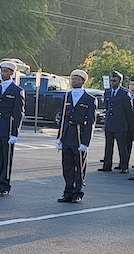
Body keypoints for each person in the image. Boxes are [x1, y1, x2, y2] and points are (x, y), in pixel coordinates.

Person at [56, 69, 96, 203]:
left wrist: (85, 142)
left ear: (83, 81)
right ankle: (67, 191)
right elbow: (62, 118)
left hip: (79, 134)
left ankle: (77, 192)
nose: (74, 81)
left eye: (77, 79)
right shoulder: (67, 96)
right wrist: (59, 137)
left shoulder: (89, 99)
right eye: (73, 79)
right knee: (67, 165)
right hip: (68, 133)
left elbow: (90, 122)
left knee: (79, 165)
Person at [0, 61, 24, 196]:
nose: (3, 74)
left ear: (12, 73)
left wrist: (15, 133)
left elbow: (18, 113)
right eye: (2, 71)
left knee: (6, 158)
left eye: (6, 71)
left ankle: (5, 185)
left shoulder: (17, 91)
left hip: (7, 127)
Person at [98, 71, 133, 174]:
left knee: (122, 146)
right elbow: (108, 107)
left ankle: (124, 166)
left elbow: (128, 111)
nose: (112, 83)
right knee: (108, 146)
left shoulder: (124, 93)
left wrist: (127, 124)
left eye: (114, 81)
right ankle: (107, 165)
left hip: (120, 124)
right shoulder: (108, 92)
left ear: (119, 81)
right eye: (111, 80)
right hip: (110, 123)